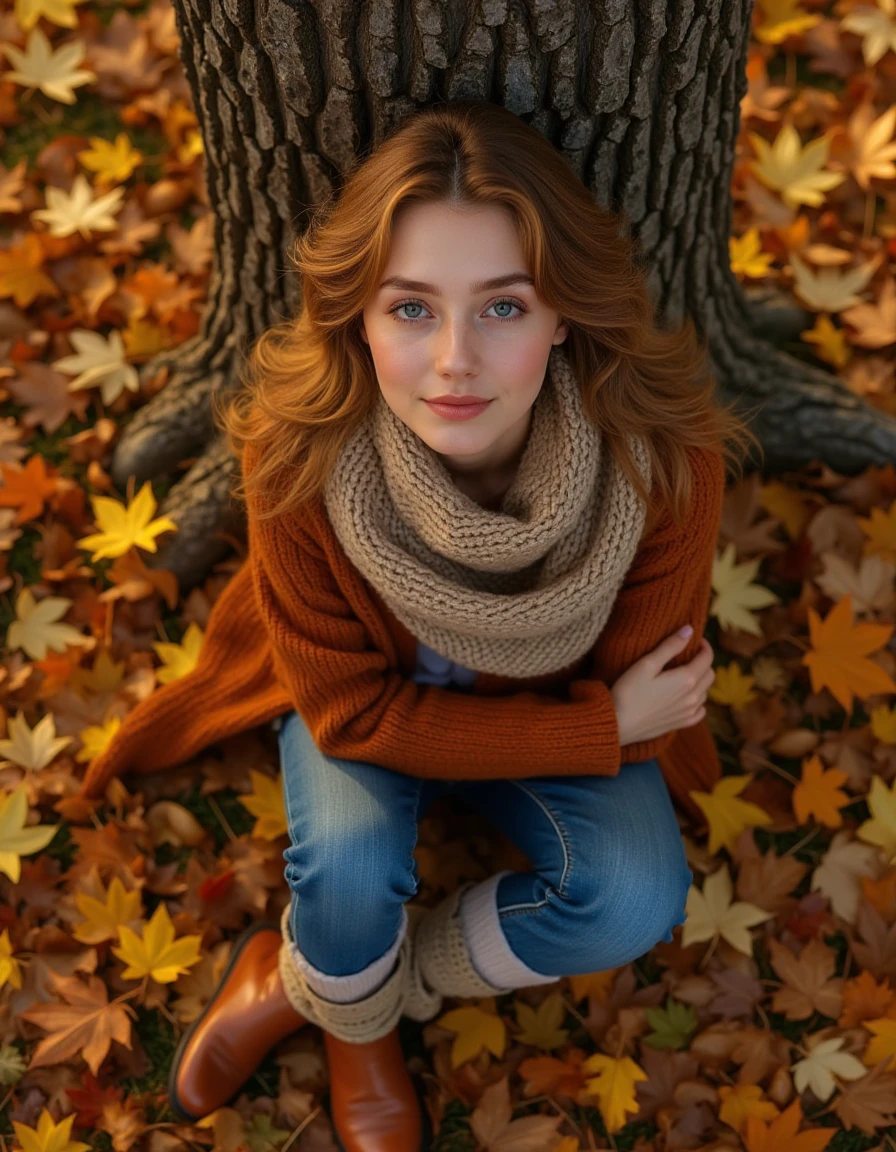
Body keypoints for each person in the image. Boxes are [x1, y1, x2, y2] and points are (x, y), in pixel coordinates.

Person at [77, 100, 760, 1152]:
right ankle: (354, 1029)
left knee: (630, 898)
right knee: (347, 872)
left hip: (542, 712)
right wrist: (592, 729)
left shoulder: (659, 464)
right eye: (410, 309)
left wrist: (605, 729)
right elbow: (352, 718)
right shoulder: (295, 456)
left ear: (562, 314)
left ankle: (323, 993)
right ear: (358, 313)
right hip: (438, 714)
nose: (453, 361)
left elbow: (655, 716)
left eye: (501, 308)